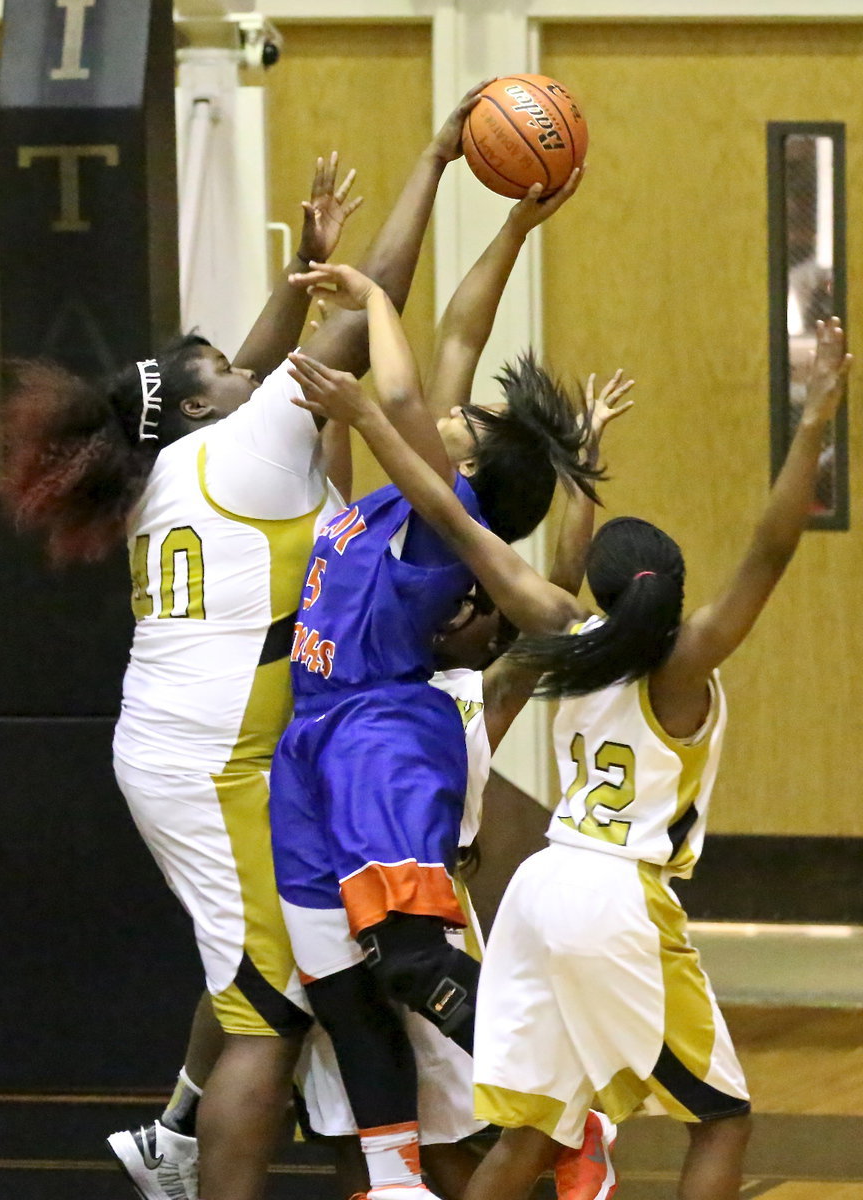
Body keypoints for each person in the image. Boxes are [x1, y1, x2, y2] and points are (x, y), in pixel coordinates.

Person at [0, 85, 488, 1200]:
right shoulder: (243, 450)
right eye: (223, 366)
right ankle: (185, 1158)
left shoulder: (172, 463)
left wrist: (296, 271)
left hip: (203, 748)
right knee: (273, 1001)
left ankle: (180, 1125)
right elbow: (376, 300)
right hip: (212, 762)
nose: (248, 364)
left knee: (270, 967)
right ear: (204, 406)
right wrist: (431, 160)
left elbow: (244, 368)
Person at [285, 309, 851, 1200]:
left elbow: (451, 515)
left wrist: (370, 421)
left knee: (530, 1132)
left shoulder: (561, 639)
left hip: (537, 890)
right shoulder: (681, 666)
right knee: (722, 1118)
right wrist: (813, 422)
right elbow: (769, 549)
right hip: (615, 894)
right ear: (672, 592)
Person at [266, 170, 615, 1199]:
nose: (459, 409)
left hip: (378, 733)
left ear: (474, 468)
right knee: (339, 984)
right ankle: (393, 1181)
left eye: (474, 420)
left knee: (413, 962)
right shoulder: (403, 494)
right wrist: (511, 226)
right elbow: (462, 331)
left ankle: (567, 1113)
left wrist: (373, 297)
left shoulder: (440, 515)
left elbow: (410, 394)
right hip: (313, 739)